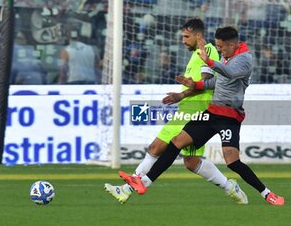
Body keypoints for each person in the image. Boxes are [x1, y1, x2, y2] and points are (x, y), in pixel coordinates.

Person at [119, 26, 285, 206]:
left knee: (232, 161)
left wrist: (210, 62)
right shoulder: (227, 56)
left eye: (221, 47)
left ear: (232, 44)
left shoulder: (244, 60)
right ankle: (144, 183)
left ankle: (267, 193)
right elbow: (217, 81)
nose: (219, 50)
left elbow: (229, 73)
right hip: (212, 112)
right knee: (177, 141)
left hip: (229, 117)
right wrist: (195, 84)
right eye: (218, 46)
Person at [105, 18, 248, 205]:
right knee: (191, 162)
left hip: (196, 111)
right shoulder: (196, 53)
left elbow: (205, 83)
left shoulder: (209, 51)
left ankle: (128, 189)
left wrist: (182, 95)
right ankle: (231, 188)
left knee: (156, 147)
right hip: (190, 109)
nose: (183, 40)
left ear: (198, 35)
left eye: (186, 36)